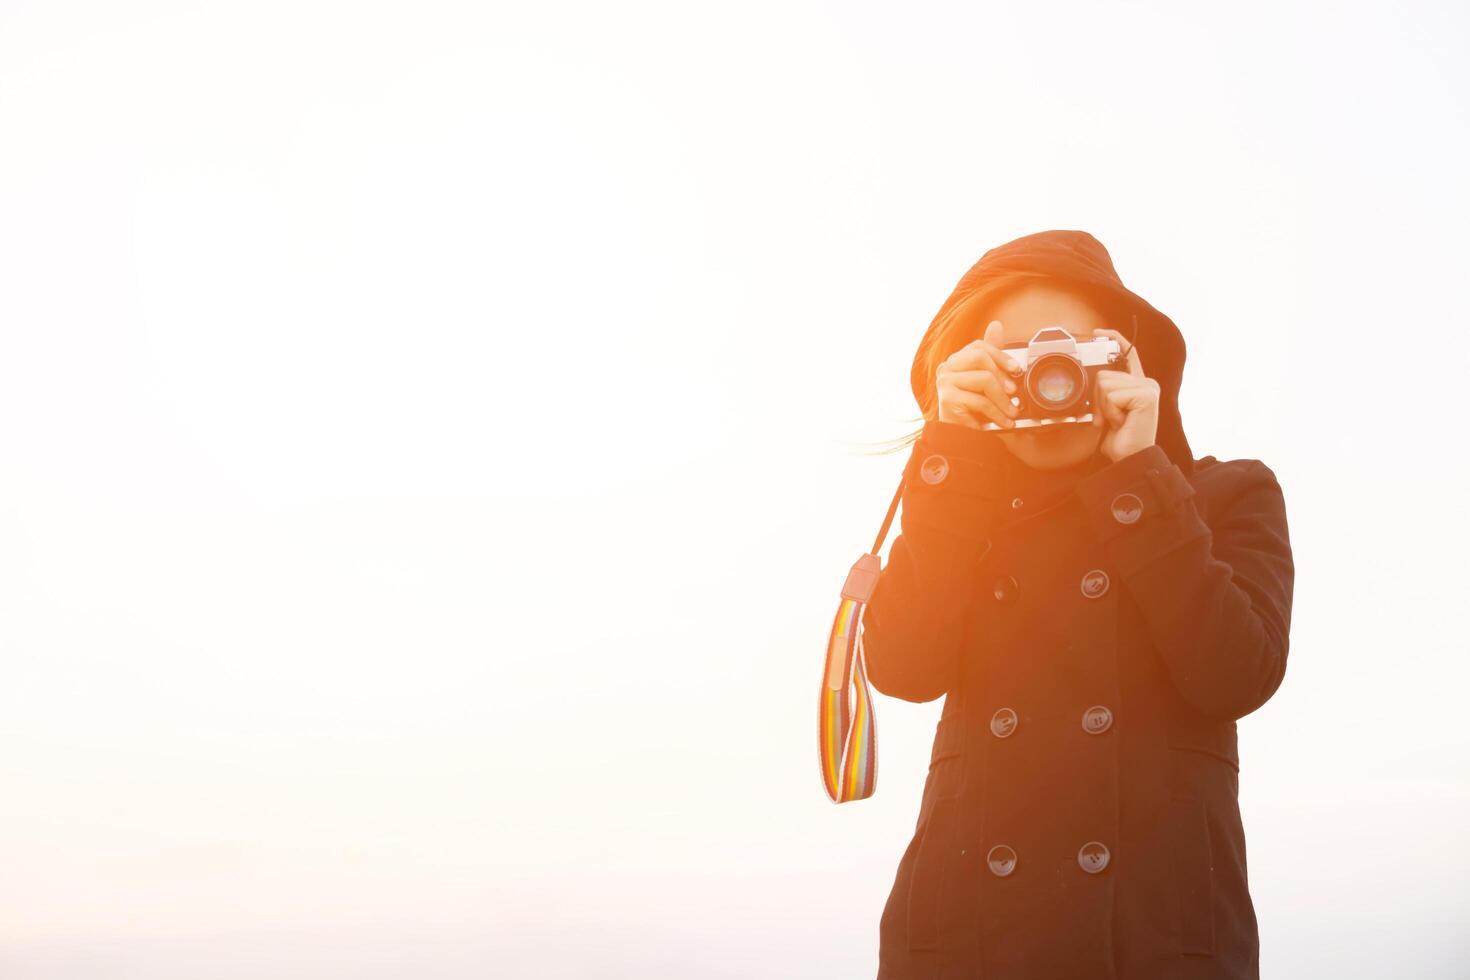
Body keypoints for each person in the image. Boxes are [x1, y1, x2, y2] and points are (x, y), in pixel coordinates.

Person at [863, 230, 1295, 980]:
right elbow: (902, 667)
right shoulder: (962, 515)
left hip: (1154, 950)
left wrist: (1140, 477)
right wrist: (952, 459)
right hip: (965, 949)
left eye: (1076, 355)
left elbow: (1238, 675)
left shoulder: (1227, 498)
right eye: (1017, 362)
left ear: (1129, 365)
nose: (1052, 380)